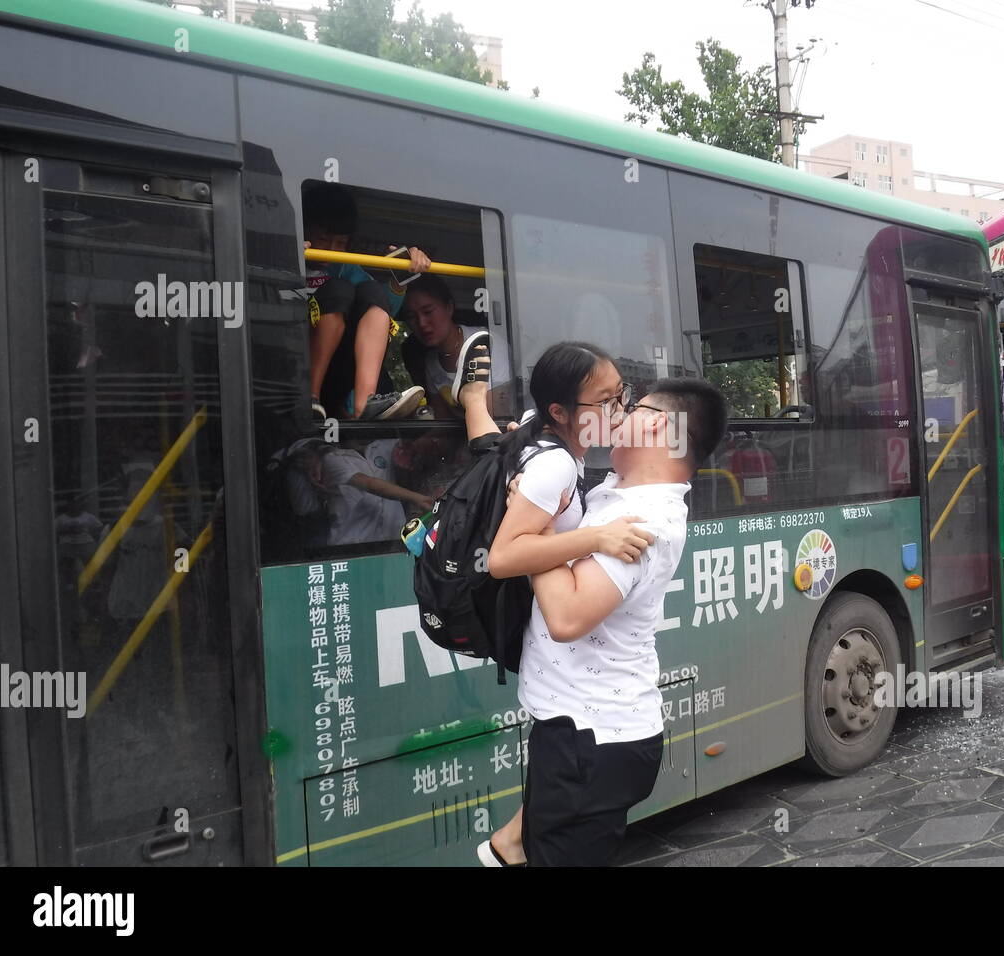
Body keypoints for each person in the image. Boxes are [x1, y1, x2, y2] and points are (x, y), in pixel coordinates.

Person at [483, 377, 728, 867]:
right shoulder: (618, 491)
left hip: (591, 743)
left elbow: (568, 616)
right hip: (584, 731)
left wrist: (538, 533)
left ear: (658, 423)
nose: (618, 414)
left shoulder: (644, 520)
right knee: (520, 847)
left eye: (630, 406)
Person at [301, 182, 430, 421]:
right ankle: (308, 397)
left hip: (336, 377)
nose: (330, 250)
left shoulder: (344, 268)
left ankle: (365, 402)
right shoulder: (284, 258)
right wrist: (286, 253)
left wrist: (402, 275)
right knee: (338, 290)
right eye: (322, 239)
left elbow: (381, 306)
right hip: (295, 368)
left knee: (368, 289)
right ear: (304, 230)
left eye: (340, 243)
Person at [399, 274, 490, 419]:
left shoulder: (485, 342)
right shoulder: (431, 363)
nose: (421, 323)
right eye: (411, 317)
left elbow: (500, 415)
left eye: (428, 312)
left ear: (449, 308)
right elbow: (443, 424)